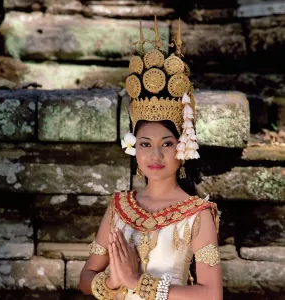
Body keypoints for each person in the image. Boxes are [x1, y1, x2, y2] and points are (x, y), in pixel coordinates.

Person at [79, 16, 223, 300]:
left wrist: (137, 281)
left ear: (183, 147)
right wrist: (111, 283)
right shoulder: (119, 207)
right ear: (134, 148)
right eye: (145, 143)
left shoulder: (197, 214)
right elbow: (86, 277)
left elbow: (211, 294)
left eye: (167, 144)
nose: (155, 155)